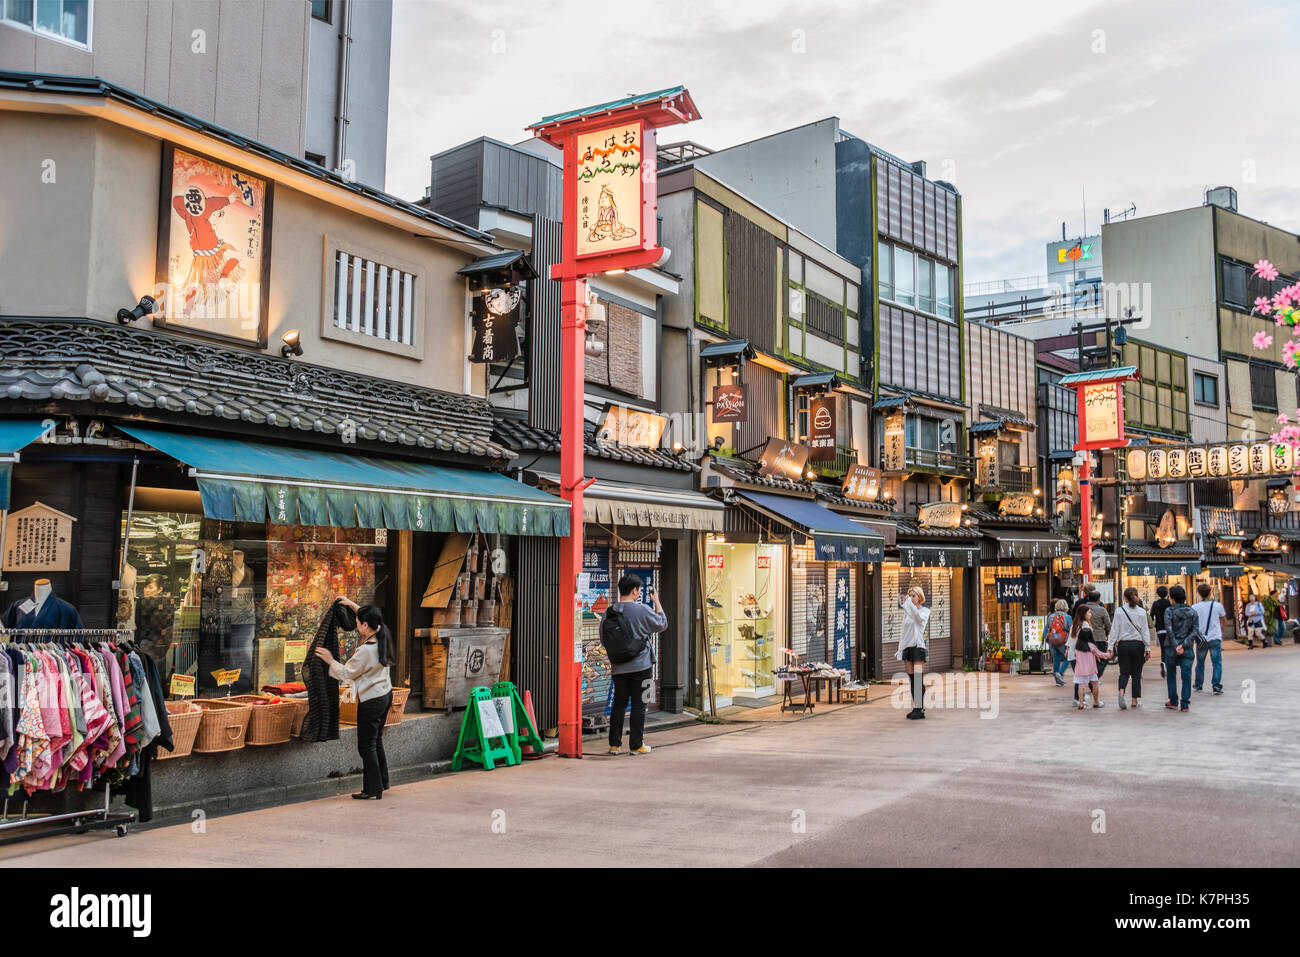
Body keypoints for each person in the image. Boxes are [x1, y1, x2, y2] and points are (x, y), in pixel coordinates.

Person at [314, 596, 394, 799]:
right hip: (385, 695)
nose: (356, 626)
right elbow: (371, 617)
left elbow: (346, 674)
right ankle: (382, 782)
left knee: (366, 745)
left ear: (365, 625)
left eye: (358, 624)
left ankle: (372, 789)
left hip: (371, 702)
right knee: (376, 742)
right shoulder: (382, 633)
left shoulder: (365, 652)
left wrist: (330, 659)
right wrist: (350, 604)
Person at [606, 575, 668, 755]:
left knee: (619, 705)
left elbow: (604, 638)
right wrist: (656, 601)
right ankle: (636, 745)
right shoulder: (641, 610)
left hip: (618, 667)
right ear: (634, 591)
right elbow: (662, 624)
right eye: (639, 590)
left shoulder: (610, 612)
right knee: (639, 705)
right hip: (642, 666)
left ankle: (614, 745)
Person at [1111, 587, 1153, 710]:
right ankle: (1134, 700)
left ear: (1125, 598)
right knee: (1136, 673)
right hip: (1138, 645)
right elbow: (1145, 632)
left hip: (1123, 645)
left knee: (1124, 672)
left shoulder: (1119, 611)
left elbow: (1114, 630)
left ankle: (1121, 691)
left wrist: (1110, 646)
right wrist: (1148, 648)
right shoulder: (1142, 612)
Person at [896, 586, 932, 720]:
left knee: (918, 679)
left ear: (920, 597)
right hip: (908, 648)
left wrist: (908, 605)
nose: (911, 598)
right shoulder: (907, 612)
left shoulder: (924, 611)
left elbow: (917, 619)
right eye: (909, 596)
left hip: (918, 648)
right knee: (911, 679)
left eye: (914, 596)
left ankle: (920, 708)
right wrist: (901, 650)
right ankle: (915, 708)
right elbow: (903, 633)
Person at [1163, 585, 1199, 712]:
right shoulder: (1192, 612)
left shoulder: (1169, 611)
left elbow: (1169, 629)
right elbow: (1195, 631)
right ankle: (1185, 703)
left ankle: (1173, 700)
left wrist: (1175, 645)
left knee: (1171, 674)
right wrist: (1183, 645)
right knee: (1187, 675)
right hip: (1187, 648)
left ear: (1172, 598)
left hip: (1171, 648)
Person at [1191, 582, 1227, 695]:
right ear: (1210, 592)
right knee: (1217, 662)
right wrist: (1220, 631)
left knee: (1200, 662)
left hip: (1201, 639)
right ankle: (1216, 685)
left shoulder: (1194, 607)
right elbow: (1224, 621)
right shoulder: (1218, 606)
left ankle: (1198, 684)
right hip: (1215, 637)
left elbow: (1192, 624)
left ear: (1199, 593)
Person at [1078, 587, 1112, 703]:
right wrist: (1109, 634)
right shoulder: (1101, 610)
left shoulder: (1082, 608)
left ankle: (1089, 678)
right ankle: (1094, 678)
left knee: (1088, 660)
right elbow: (1108, 625)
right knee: (1102, 660)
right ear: (1099, 600)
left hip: (1084, 640)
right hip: (1099, 639)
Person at [1072, 608, 1110, 709]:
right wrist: (1108, 654)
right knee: (1095, 684)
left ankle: (1081, 704)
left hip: (1080, 670)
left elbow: (1075, 655)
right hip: (1091, 669)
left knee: (1081, 686)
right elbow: (1100, 654)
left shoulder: (1077, 648)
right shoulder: (1091, 646)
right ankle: (1096, 702)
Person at [1045, 599, 1071, 687]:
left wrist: (1043, 639)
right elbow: (1070, 630)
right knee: (1067, 659)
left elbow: (1048, 628)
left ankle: (1057, 681)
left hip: (1052, 640)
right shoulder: (1068, 617)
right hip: (1063, 641)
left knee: (1056, 659)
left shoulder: (1050, 616)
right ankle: (1060, 673)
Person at [1150, 585, 1172, 680]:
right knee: (1169, 647)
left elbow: (1151, 616)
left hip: (1160, 629)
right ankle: (1168, 664)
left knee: (1163, 648)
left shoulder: (1155, 604)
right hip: (1169, 629)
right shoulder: (1169, 603)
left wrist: (1154, 624)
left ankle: (1164, 662)